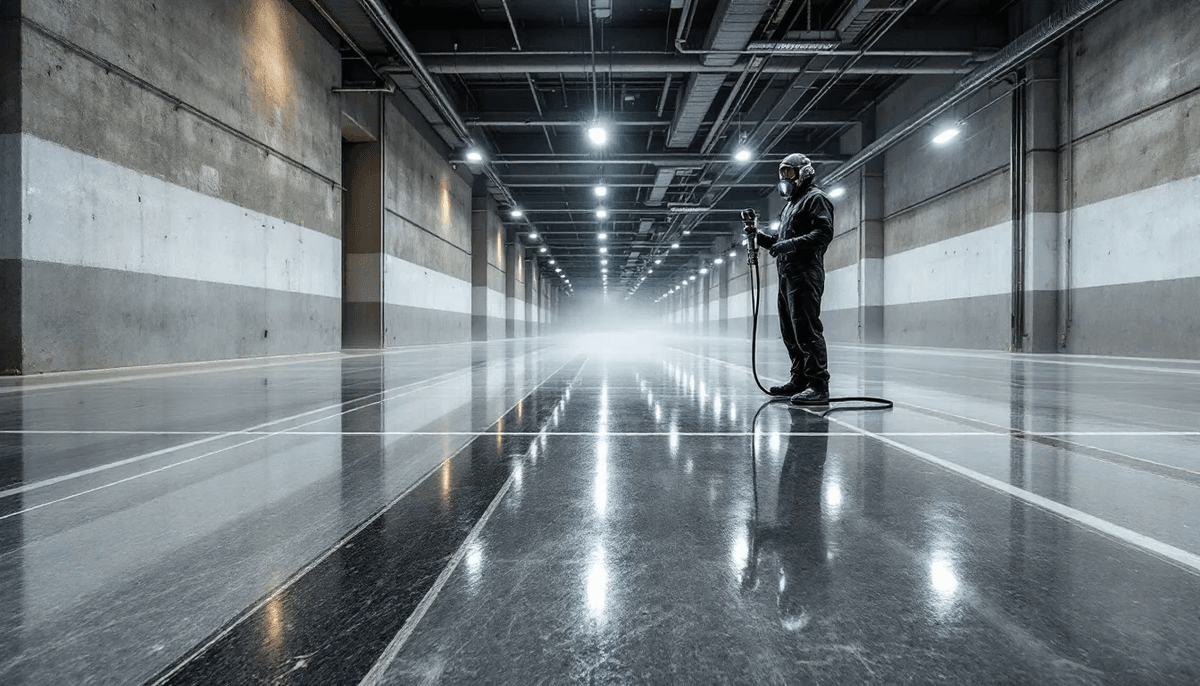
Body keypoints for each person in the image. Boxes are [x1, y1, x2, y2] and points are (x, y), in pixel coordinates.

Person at [745, 153, 833, 405]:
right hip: (787, 276)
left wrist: (790, 245)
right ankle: (800, 379)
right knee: (790, 332)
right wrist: (758, 236)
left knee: (807, 330)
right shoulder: (791, 205)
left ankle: (818, 385)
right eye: (782, 173)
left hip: (806, 274)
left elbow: (823, 233)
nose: (785, 179)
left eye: (789, 173)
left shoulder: (815, 199)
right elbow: (779, 244)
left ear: (804, 173)